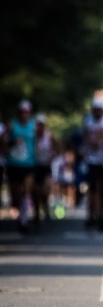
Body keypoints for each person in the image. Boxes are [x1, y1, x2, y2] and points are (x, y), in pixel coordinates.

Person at [6, 100, 36, 233]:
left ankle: (24, 220)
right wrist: (11, 143)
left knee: (26, 191)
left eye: (27, 112)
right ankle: (19, 214)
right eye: (22, 112)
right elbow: (3, 140)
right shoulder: (12, 125)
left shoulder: (33, 126)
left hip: (29, 165)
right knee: (16, 193)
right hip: (13, 164)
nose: (24, 115)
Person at [83, 99, 103, 231]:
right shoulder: (88, 123)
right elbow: (86, 140)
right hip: (92, 161)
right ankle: (92, 215)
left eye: (99, 110)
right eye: (95, 110)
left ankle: (102, 214)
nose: (97, 112)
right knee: (93, 189)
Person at [32, 114, 60, 229]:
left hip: (46, 167)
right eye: (38, 125)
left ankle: (45, 207)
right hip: (34, 167)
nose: (40, 127)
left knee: (45, 191)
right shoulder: (31, 137)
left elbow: (58, 148)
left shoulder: (49, 136)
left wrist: (53, 156)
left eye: (42, 125)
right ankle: (37, 214)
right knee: (35, 193)